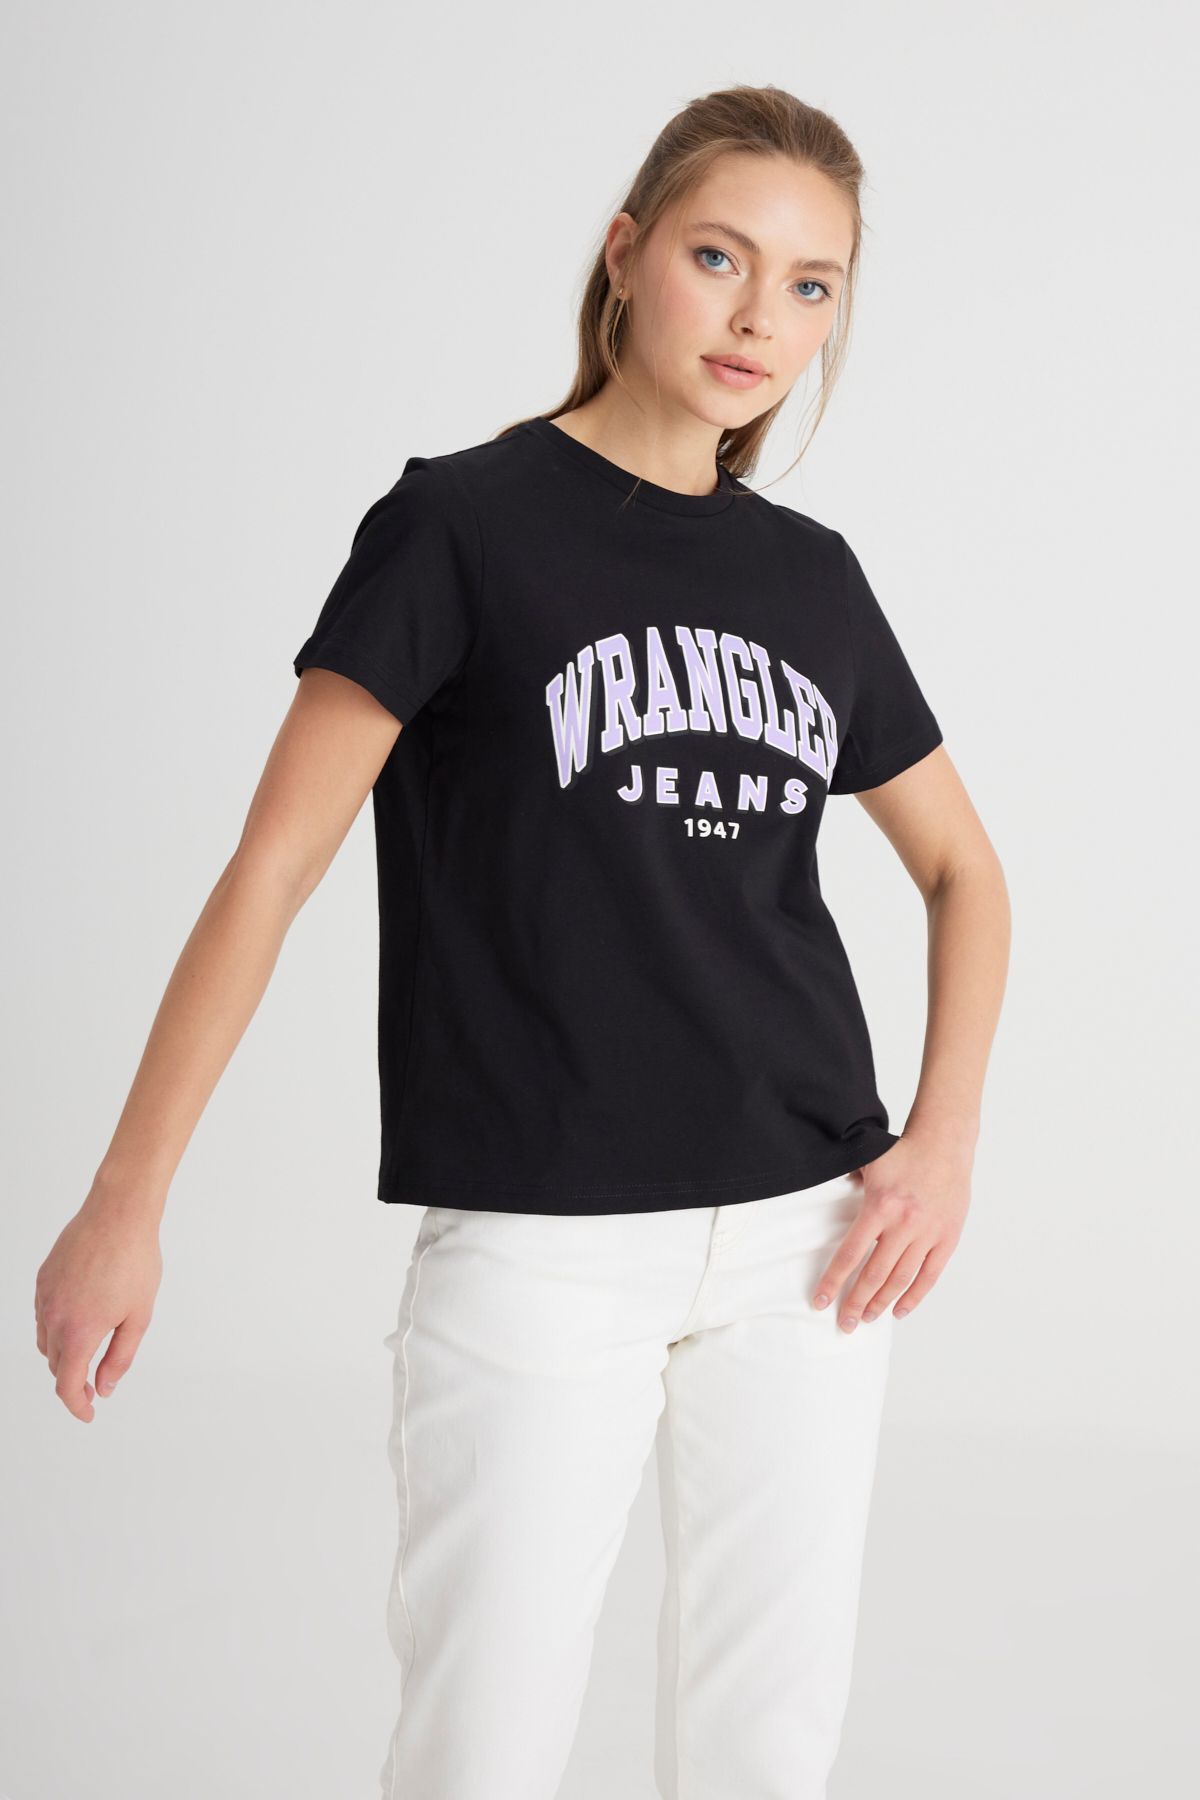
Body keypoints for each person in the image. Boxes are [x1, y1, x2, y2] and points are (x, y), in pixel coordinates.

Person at [34, 82, 1010, 1800]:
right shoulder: (461, 526)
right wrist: (128, 1201)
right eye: (720, 258)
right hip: (542, 1245)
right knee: (480, 1752)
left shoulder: (813, 578)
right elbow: (271, 869)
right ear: (627, 256)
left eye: (811, 284)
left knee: (767, 1752)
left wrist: (941, 1143)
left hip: (808, 1239)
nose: (760, 317)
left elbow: (966, 874)